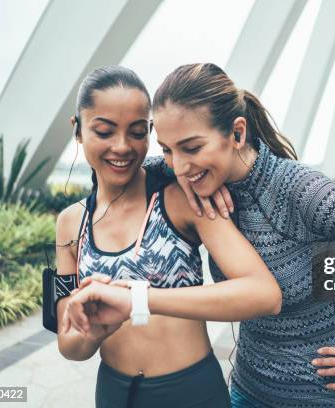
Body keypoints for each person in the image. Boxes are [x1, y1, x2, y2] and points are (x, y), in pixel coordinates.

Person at [68, 63, 335, 407]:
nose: (179, 165)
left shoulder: (304, 192)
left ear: (237, 133)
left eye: (191, 147)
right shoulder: (184, 175)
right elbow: (125, 165)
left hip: (330, 400)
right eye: (169, 149)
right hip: (246, 395)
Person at [55, 65, 282, 408]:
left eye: (136, 132)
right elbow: (68, 344)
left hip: (191, 392)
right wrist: (91, 333)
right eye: (104, 131)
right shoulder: (71, 224)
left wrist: (141, 299)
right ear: (78, 130)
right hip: (114, 394)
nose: (122, 147)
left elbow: (263, 293)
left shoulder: (180, 200)